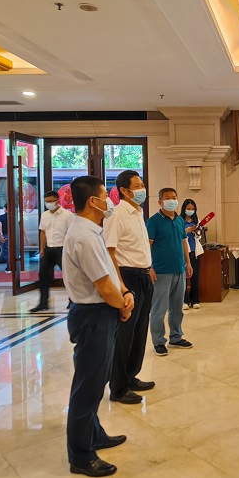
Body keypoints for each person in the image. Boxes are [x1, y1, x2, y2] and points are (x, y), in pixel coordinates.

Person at [62, 175, 133, 477]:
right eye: (106, 196)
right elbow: (103, 286)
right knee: (87, 388)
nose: (110, 201)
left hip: (101, 313)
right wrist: (123, 304)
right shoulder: (85, 237)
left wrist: (124, 293)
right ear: (93, 201)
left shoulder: (91, 231)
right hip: (93, 316)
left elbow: (109, 274)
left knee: (96, 380)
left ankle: (94, 434)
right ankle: (81, 456)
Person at [103, 170, 155, 404]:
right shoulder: (117, 214)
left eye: (142, 184)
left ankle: (131, 375)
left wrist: (149, 268)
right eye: (138, 185)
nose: (142, 189)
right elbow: (110, 252)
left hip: (143, 276)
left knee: (139, 331)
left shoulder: (138, 213)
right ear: (124, 190)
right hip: (128, 278)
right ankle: (118, 387)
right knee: (124, 334)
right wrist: (122, 286)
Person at [147, 188, 193, 357]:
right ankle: (158, 342)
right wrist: (150, 268)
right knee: (159, 309)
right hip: (161, 272)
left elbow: (183, 242)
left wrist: (188, 263)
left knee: (177, 307)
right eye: (168, 198)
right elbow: (147, 246)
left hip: (179, 269)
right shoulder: (153, 222)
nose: (172, 200)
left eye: (174, 197)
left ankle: (176, 336)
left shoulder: (179, 220)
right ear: (160, 202)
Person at [31, 190, 74, 313]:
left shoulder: (67, 215)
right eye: (46, 202)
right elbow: (43, 232)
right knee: (43, 276)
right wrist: (41, 248)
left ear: (57, 201)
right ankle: (43, 303)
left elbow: (71, 234)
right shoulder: (45, 215)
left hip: (62, 249)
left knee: (69, 277)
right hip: (48, 250)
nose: (48, 204)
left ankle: (72, 300)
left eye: (51, 201)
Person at [181, 198, 202, 310]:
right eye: (188, 208)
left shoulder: (196, 221)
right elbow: (177, 235)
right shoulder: (179, 221)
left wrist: (196, 231)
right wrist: (186, 231)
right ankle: (184, 300)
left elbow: (200, 236)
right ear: (184, 209)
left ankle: (195, 300)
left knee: (195, 277)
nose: (190, 210)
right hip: (183, 252)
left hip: (195, 251)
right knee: (183, 277)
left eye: (192, 209)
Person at [0, 204, 9, 273]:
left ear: (5, 209)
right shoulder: (16, 216)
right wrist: (25, 236)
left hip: (6, 236)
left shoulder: (1, 217)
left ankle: (9, 268)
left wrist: (0, 235)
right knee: (14, 252)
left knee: (7, 252)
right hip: (15, 236)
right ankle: (14, 266)